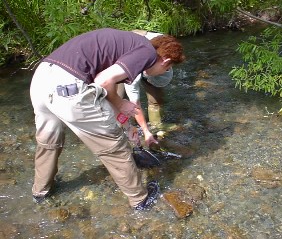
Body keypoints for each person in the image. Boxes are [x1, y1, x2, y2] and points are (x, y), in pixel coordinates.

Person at [29, 28, 185, 210]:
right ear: (165, 60)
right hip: (68, 88)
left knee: (49, 141)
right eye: (167, 68)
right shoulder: (147, 53)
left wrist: (127, 127)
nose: (163, 71)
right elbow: (103, 81)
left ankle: (40, 191)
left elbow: (104, 94)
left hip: (42, 80)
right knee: (114, 147)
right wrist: (121, 106)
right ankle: (140, 200)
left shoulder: (129, 45)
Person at [117, 30, 175, 146]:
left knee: (155, 100)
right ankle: (121, 131)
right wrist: (145, 130)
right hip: (121, 61)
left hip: (151, 64)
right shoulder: (132, 70)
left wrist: (150, 132)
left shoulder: (167, 50)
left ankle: (156, 128)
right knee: (117, 101)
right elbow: (135, 103)